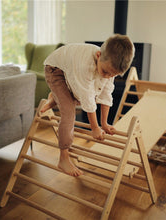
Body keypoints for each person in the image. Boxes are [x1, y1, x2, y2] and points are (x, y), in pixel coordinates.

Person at [41, 34, 135, 177]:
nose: (107, 76)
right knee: (69, 112)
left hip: (70, 71)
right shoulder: (84, 66)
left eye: (112, 75)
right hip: (55, 69)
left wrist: (104, 123)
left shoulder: (109, 67)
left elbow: (105, 94)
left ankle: (56, 96)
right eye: (105, 72)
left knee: (90, 93)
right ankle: (63, 159)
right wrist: (95, 128)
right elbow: (87, 99)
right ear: (98, 55)